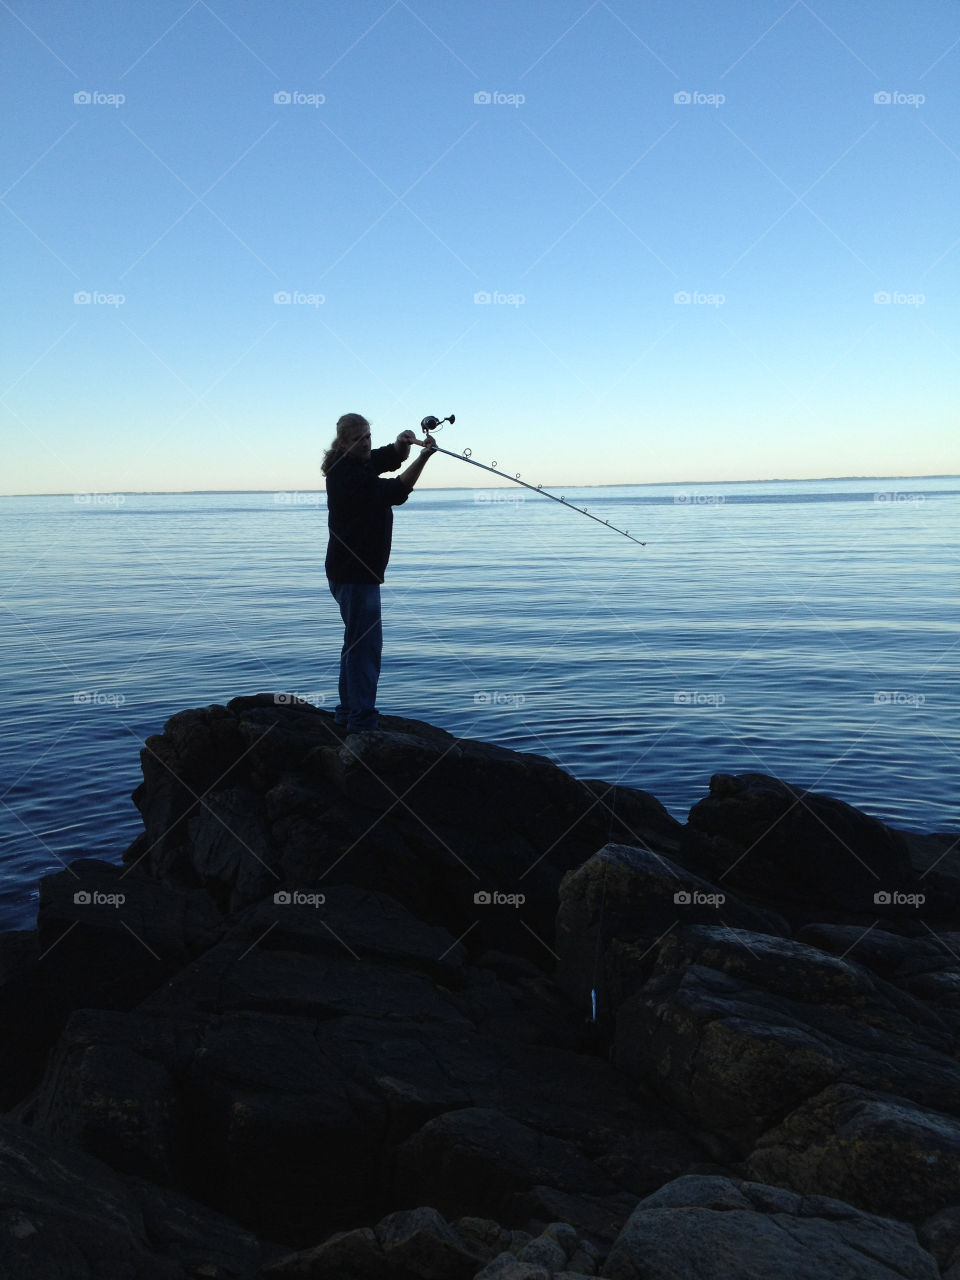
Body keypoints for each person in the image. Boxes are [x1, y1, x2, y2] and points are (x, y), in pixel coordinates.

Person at [322, 412, 437, 731]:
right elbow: (396, 492)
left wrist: (403, 446)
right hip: (354, 575)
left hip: (355, 573)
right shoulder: (344, 475)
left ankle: (348, 713)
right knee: (365, 648)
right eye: (358, 438)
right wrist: (424, 457)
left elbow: (385, 458)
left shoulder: (357, 462)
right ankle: (361, 719)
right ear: (343, 443)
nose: (365, 443)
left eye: (368, 436)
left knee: (355, 644)